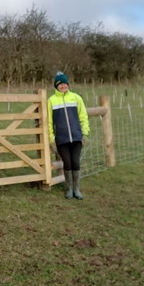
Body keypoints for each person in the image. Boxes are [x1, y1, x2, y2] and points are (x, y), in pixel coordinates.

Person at [47, 71, 90, 199]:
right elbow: (49, 120)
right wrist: (51, 137)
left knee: (75, 162)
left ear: (68, 84)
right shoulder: (51, 101)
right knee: (67, 162)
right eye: (60, 84)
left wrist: (85, 133)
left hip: (77, 137)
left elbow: (83, 116)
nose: (63, 86)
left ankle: (77, 189)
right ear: (56, 86)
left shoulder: (76, 98)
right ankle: (69, 188)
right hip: (62, 138)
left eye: (65, 83)